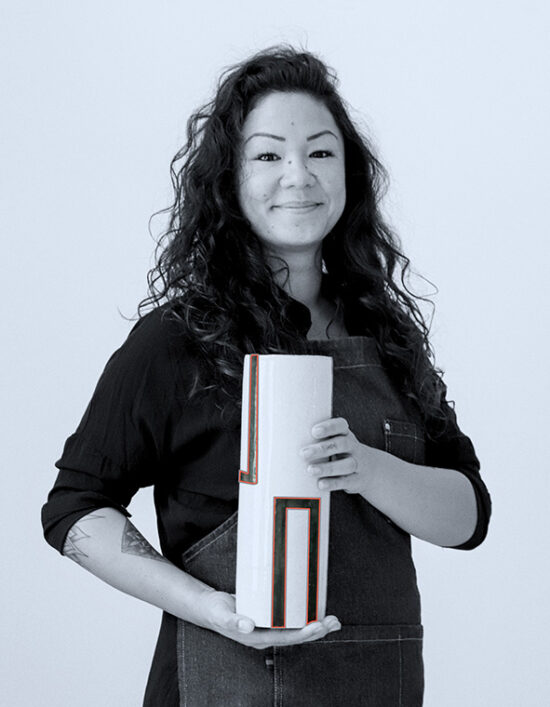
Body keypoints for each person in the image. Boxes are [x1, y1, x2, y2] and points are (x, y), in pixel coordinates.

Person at [41, 46, 491, 706]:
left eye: (320, 152)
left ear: (349, 172)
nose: (299, 176)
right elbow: (74, 510)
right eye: (269, 155)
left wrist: (367, 470)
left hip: (379, 685)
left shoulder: (388, 336)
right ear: (230, 180)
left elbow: (469, 516)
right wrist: (208, 606)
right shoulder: (179, 339)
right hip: (225, 679)